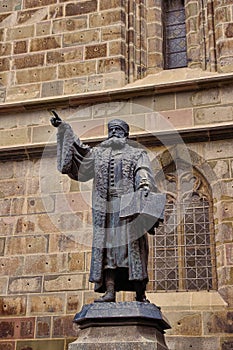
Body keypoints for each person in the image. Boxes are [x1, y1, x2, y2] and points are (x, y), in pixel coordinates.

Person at [50, 112, 163, 303]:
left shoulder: (137, 154)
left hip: (129, 211)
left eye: (118, 131)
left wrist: (144, 184)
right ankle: (110, 291)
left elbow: (143, 170)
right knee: (108, 252)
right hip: (107, 214)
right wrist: (64, 129)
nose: (114, 134)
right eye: (111, 131)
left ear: (125, 135)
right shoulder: (99, 153)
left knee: (133, 251)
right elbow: (80, 153)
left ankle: (139, 293)